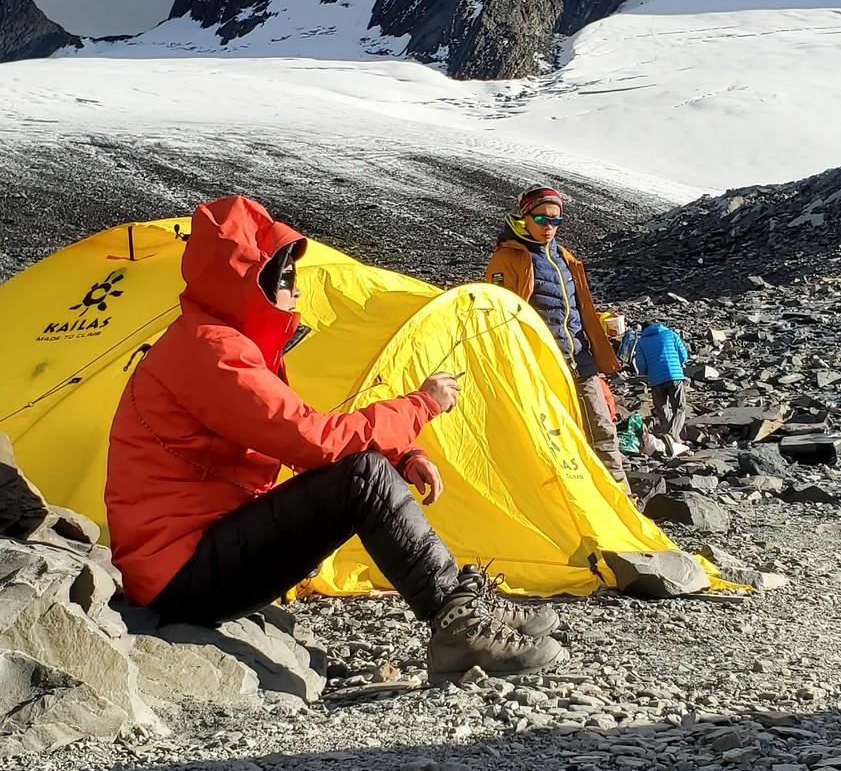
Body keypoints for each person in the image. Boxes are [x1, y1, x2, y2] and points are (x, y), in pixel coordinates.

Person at [105, 195, 563, 679]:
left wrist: (400, 452)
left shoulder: (219, 343)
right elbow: (312, 440)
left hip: (194, 554)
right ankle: (458, 622)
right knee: (360, 477)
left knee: (364, 469)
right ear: (249, 285)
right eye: (285, 279)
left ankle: (464, 608)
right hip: (178, 575)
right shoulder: (212, 351)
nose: (296, 293)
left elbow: (305, 431)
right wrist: (420, 405)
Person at [484, 185, 629, 487]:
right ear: (525, 217)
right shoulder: (508, 258)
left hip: (580, 358)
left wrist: (602, 322)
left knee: (602, 428)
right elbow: (499, 313)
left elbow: (573, 308)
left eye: (556, 221)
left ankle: (621, 500)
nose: (549, 227)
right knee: (558, 434)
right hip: (542, 365)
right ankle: (571, 502)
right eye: (541, 220)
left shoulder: (563, 257)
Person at [633, 320, 690, 447]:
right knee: (679, 408)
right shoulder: (671, 334)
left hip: (655, 380)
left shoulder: (642, 342)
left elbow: (641, 365)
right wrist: (677, 364)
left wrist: (647, 373)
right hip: (674, 375)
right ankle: (672, 436)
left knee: (662, 408)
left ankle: (669, 435)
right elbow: (683, 355)